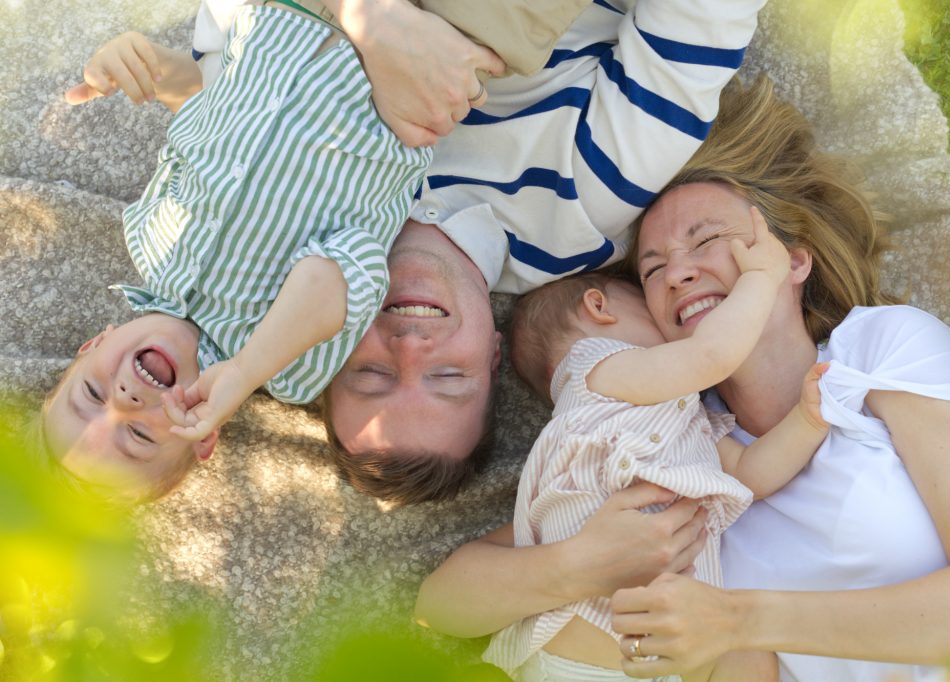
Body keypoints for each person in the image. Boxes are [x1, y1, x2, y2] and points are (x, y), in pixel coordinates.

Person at [415, 76, 950, 680]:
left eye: (707, 239)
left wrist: (737, 620)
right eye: (651, 270)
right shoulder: (671, 443)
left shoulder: (881, 349)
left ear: (791, 261)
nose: (678, 272)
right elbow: (441, 604)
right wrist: (579, 565)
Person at [44, 0, 518, 501]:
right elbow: (344, 263)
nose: (124, 399)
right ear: (204, 437)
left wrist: (145, 67)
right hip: (415, 55)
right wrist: (247, 369)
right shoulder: (286, 367)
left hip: (292, 13)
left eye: (92, 395)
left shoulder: (144, 237)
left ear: (92, 345)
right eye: (138, 435)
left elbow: (206, 115)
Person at [325, 0, 768, 504]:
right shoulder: (584, 199)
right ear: (493, 353)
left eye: (372, 372)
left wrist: (367, 18)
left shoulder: (271, 210)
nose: (409, 346)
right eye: (447, 375)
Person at [487, 210, 829, 681]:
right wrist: (760, 277)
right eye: (649, 311)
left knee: (751, 651)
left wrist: (807, 422)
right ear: (599, 308)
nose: (672, 335)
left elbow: (750, 473)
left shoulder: (679, 417)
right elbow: (709, 355)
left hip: (673, 653)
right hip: (591, 656)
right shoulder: (597, 368)